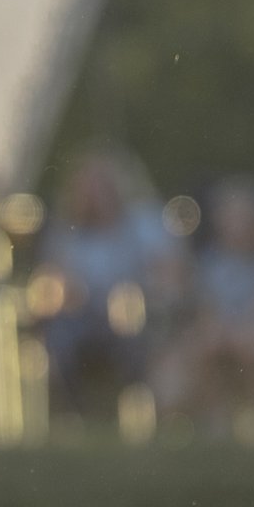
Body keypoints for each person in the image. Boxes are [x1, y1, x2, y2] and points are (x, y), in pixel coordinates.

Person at [25, 150, 186, 430]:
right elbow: (52, 281)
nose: (92, 196)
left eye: (99, 186)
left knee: (136, 332)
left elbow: (171, 274)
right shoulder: (67, 234)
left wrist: (142, 295)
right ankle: (76, 418)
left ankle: (138, 414)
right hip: (83, 316)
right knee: (59, 335)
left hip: (139, 318)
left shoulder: (143, 223)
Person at [167, 179, 254, 444]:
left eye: (245, 221)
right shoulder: (210, 263)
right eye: (232, 220)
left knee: (253, 348)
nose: (239, 228)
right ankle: (217, 417)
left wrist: (248, 330)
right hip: (223, 330)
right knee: (205, 345)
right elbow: (205, 306)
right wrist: (221, 329)